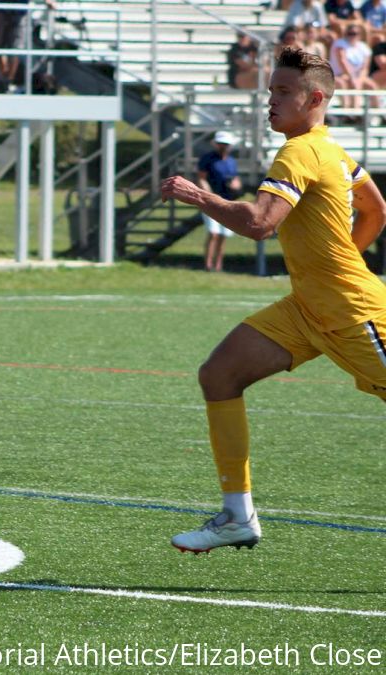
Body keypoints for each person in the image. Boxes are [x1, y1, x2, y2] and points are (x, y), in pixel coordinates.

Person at [160, 48, 386, 554]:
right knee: (219, 374)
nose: (271, 102)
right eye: (270, 92)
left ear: (317, 98)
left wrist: (201, 198)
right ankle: (237, 516)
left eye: (283, 92)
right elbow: (376, 208)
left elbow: (260, 224)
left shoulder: (301, 152)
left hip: (354, 313)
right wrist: (336, 261)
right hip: (307, 310)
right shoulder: (332, 150)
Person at [197, 131, 243, 272]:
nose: (223, 147)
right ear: (216, 144)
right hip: (211, 202)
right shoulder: (207, 159)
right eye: (221, 144)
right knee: (214, 232)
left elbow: (236, 180)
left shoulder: (231, 162)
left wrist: (237, 185)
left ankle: (218, 264)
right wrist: (208, 194)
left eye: (226, 144)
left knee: (223, 235)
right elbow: (201, 178)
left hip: (227, 201)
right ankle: (208, 264)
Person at [330, 24, 378, 115]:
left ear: (360, 35)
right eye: (349, 33)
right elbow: (342, 61)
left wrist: (359, 78)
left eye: (354, 33)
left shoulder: (363, 47)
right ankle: (349, 112)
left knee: (371, 85)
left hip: (356, 76)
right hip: (339, 75)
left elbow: (365, 67)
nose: (351, 36)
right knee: (346, 83)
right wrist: (352, 77)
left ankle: (377, 114)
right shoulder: (340, 44)